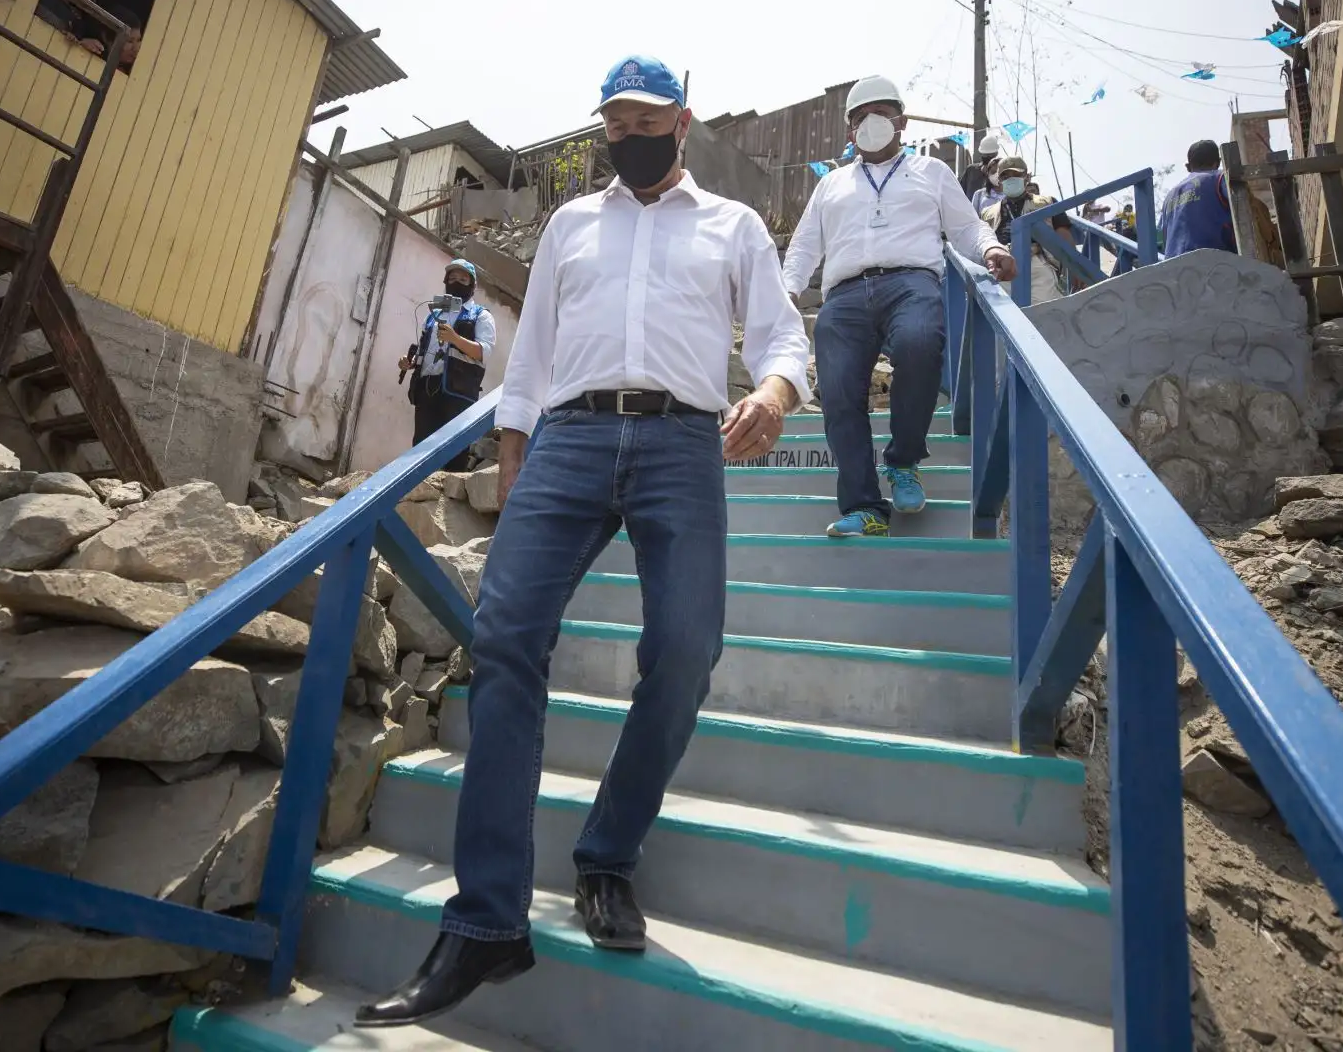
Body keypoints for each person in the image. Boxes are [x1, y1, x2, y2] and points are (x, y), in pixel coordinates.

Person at [355, 54, 809, 1028]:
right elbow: (533, 360)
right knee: (506, 643)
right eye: (612, 121)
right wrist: (517, 462)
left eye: (643, 118)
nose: (625, 135)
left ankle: (607, 857)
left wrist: (772, 392)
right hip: (566, 442)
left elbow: (782, 338)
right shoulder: (570, 223)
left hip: (683, 443)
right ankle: (486, 922)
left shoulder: (731, 227)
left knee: (686, 653)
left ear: (680, 122)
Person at [782, 74, 1016, 539]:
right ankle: (865, 507)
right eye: (860, 119)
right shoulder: (830, 185)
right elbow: (805, 245)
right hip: (844, 295)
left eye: (881, 116)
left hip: (912, 283)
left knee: (919, 343)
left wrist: (990, 250)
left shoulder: (932, 173)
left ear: (902, 122)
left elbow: (966, 228)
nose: (871, 125)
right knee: (839, 393)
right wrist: (786, 291)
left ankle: (904, 461)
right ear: (850, 131)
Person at [398, 258, 495, 471]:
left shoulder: (481, 315)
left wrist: (455, 339)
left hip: (458, 393)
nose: (457, 282)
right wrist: (411, 363)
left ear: (473, 285)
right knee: (420, 449)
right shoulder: (435, 314)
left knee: (454, 452)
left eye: (463, 279)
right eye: (452, 278)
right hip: (427, 389)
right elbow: (427, 350)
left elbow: (483, 352)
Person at [1158, 139, 1237, 260]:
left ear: (1188, 167)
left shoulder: (1169, 196)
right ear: (1218, 162)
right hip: (1216, 265)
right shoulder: (1220, 178)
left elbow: (1163, 235)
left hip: (1174, 270)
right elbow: (1245, 211)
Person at [963, 131, 1003, 213]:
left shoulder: (1002, 171)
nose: (988, 157)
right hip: (970, 215)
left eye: (990, 155)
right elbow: (960, 192)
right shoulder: (971, 170)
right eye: (985, 155)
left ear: (996, 153)